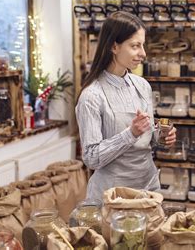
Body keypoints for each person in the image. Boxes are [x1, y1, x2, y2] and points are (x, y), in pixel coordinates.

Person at [76, 11, 177, 203]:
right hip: (113, 195)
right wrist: (130, 133)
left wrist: (161, 137)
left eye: (142, 45)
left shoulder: (142, 86)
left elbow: (147, 139)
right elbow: (91, 158)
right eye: (135, 46)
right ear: (114, 46)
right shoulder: (92, 96)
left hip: (148, 187)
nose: (143, 53)